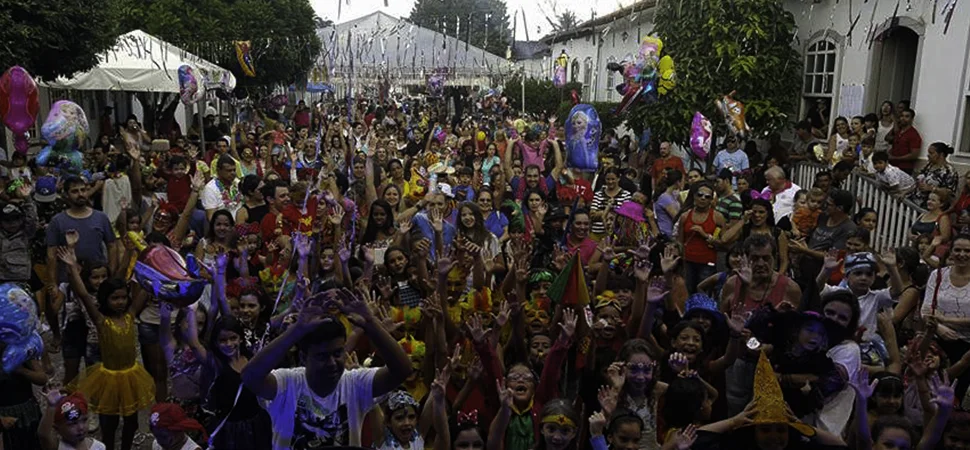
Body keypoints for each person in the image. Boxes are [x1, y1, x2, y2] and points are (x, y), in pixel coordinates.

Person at [241, 289, 413, 449]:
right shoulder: (287, 383)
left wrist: (371, 324)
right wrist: (295, 332)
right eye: (322, 356)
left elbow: (402, 370)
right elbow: (250, 377)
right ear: (303, 357)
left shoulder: (355, 382)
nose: (332, 362)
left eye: (337, 353)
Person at [909, 142, 958, 209]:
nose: (928, 155)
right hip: (915, 202)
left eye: (931, 153)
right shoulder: (929, 166)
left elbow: (949, 194)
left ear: (941, 155)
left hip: (930, 207)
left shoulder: (949, 171)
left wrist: (931, 188)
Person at [889, 108, 922, 174]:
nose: (903, 118)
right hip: (892, 165)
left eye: (907, 116)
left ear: (912, 119)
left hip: (904, 168)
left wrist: (895, 158)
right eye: (902, 116)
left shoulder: (913, 134)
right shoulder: (898, 132)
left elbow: (914, 155)